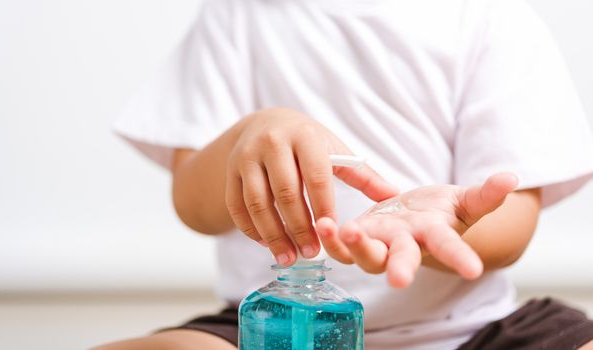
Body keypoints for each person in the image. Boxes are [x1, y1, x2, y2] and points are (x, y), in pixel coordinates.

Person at [94, 0, 593, 349]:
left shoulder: (489, 15)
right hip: (270, 330)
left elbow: (510, 223)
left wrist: (436, 229)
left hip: (471, 332)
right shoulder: (237, 13)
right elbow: (192, 203)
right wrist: (243, 136)